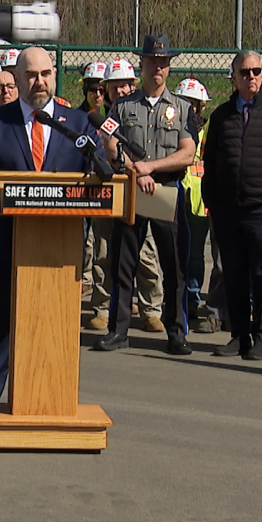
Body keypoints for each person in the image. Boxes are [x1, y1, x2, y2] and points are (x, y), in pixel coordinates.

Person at [0, 46, 102, 427]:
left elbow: (100, 174)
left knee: (53, 326)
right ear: (17, 80)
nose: (40, 82)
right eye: (31, 75)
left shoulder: (79, 125)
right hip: (2, 244)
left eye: (46, 74)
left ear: (55, 75)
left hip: (59, 249)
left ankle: (52, 400)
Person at [94, 34, 196, 355]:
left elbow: (187, 152)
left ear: (169, 67)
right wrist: (136, 169)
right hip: (132, 190)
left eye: (163, 63)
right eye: (152, 61)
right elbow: (111, 144)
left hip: (166, 191)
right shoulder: (123, 106)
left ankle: (176, 333)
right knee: (122, 262)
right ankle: (118, 330)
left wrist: (151, 168)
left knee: (174, 265)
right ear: (143, 64)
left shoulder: (181, 108)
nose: (158, 68)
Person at [203, 51, 262, 360]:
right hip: (229, 210)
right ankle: (239, 336)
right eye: (245, 72)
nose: (253, 77)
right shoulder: (221, 115)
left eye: (257, 71)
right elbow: (211, 162)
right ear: (234, 76)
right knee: (233, 274)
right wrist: (215, 204)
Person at [86, 57, 164, 332]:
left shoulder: (143, 113)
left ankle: (151, 310)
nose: (120, 91)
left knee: (146, 252)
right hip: (105, 191)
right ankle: (103, 309)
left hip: (139, 190)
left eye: (125, 86)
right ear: (105, 89)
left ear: (134, 85)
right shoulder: (94, 119)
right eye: (114, 86)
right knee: (104, 252)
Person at [173, 77, 225, 333]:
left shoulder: (211, 130)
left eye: (195, 104)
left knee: (217, 258)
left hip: (207, 199)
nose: (192, 108)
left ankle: (208, 303)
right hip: (184, 198)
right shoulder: (173, 128)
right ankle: (191, 300)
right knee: (190, 254)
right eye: (187, 103)